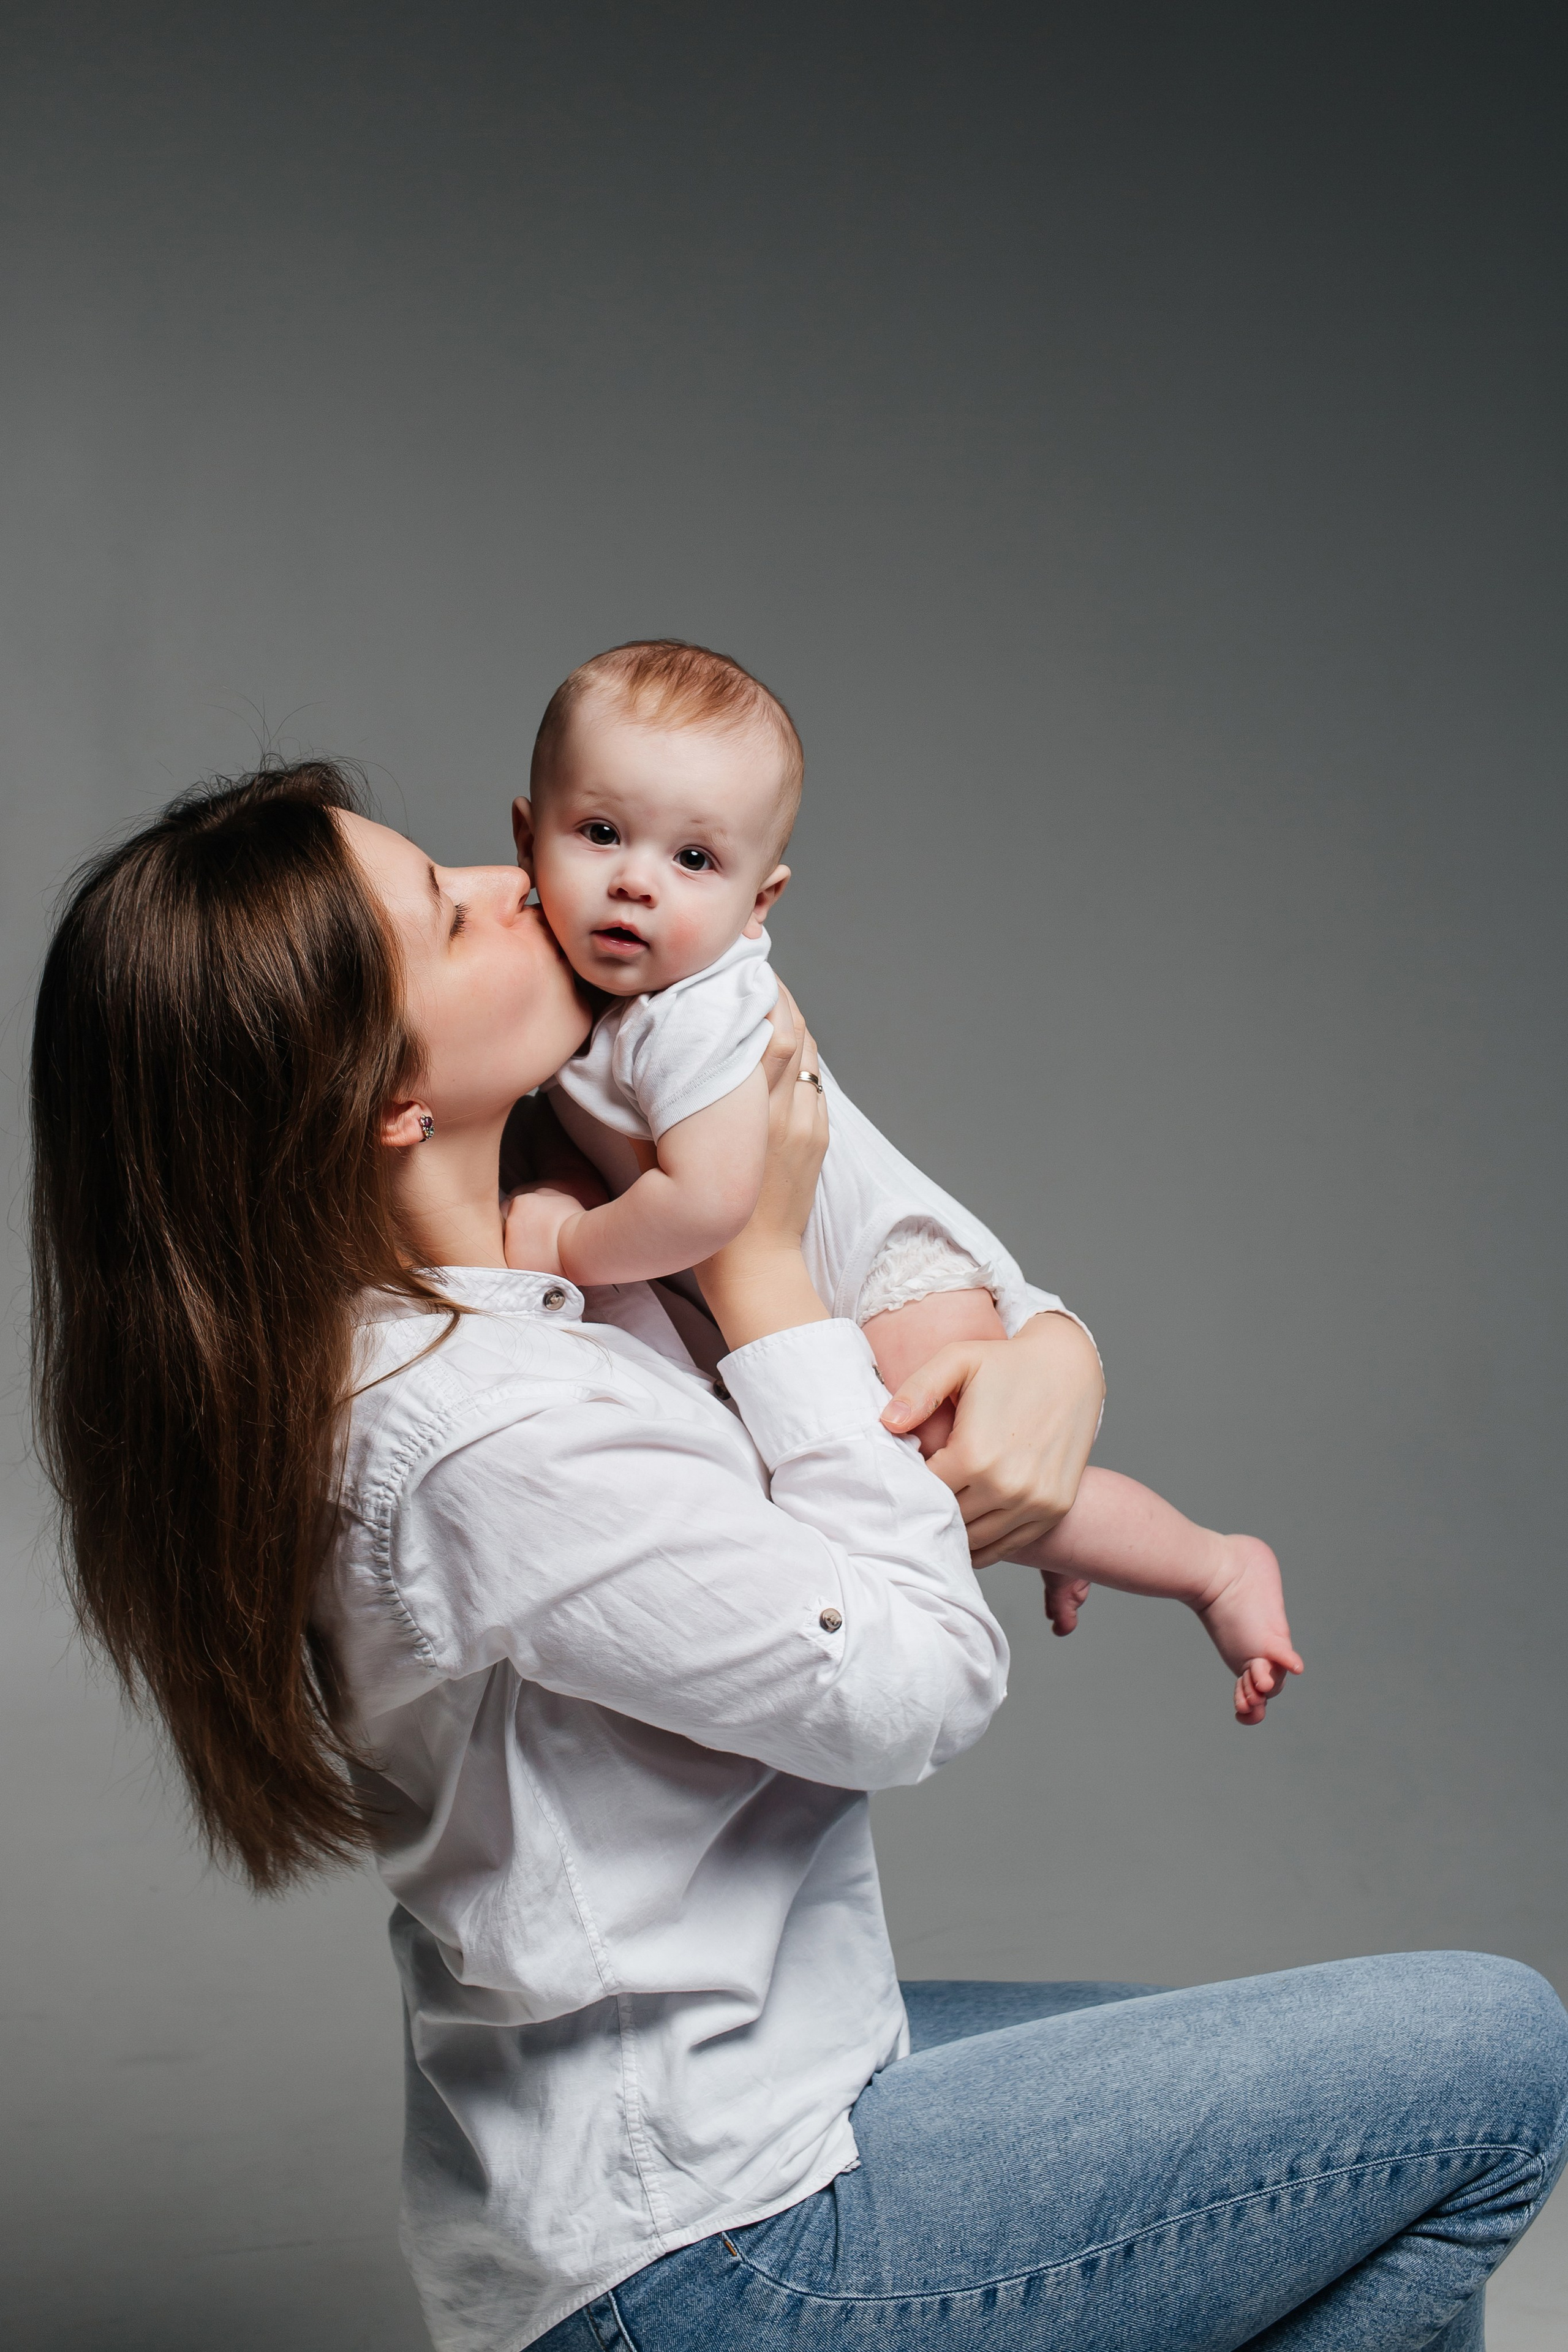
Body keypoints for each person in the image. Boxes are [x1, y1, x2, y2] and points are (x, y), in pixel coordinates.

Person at [29, 761, 1568, 2352]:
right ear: (380, 1101)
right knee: (1500, 2065)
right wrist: (763, 1274)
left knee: (1350, 2203)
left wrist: (1054, 1350)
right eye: (448, 915)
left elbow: (912, 1276)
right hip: (711, 2259)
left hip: (778, 2094)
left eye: (453, 864)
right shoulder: (477, 1437)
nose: (513, 890)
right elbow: (918, 1686)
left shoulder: (541, 1243)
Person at [509, 638, 1299, 1722]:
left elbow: (709, 1203)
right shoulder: (572, 988)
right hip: (801, 1282)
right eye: (599, 833)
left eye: (696, 860)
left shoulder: (694, 1013)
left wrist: (560, 1246)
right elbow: (574, 1124)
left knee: (948, 1477)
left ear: (759, 901)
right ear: (526, 835)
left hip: (882, 1269)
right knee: (956, 1492)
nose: (636, 881)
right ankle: (1066, 1530)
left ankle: (1212, 1564)